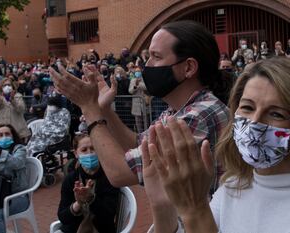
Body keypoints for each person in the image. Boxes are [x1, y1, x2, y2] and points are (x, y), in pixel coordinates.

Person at [143, 58, 290, 233]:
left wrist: (195, 208)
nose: (255, 122)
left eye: (276, 113)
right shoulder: (234, 185)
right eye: (247, 108)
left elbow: (198, 223)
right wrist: (163, 207)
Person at [49, 20, 230, 189]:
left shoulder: (198, 116)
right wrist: (104, 109)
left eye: (156, 56)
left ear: (189, 67)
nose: (147, 65)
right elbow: (137, 144)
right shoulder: (178, 110)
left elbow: (120, 173)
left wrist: (89, 108)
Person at [57, 134, 119, 233]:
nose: (89, 153)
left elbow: (108, 216)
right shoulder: (71, 179)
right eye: (84, 150)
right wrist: (78, 204)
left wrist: (91, 199)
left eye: (93, 148)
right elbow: (62, 217)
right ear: (76, 153)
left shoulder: (110, 178)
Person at [0, 124, 29, 233]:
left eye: (7, 134)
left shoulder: (19, 149)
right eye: (0, 135)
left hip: (18, 197)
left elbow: (17, 163)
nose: (4, 136)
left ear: (13, 136)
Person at [128, 67, 147, 133]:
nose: (137, 73)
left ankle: (147, 134)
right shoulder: (132, 80)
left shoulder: (144, 79)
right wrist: (135, 86)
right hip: (136, 104)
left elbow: (146, 87)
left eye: (139, 71)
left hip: (144, 103)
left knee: (146, 121)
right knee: (138, 122)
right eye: (136, 72)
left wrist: (139, 84)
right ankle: (140, 135)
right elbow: (130, 91)